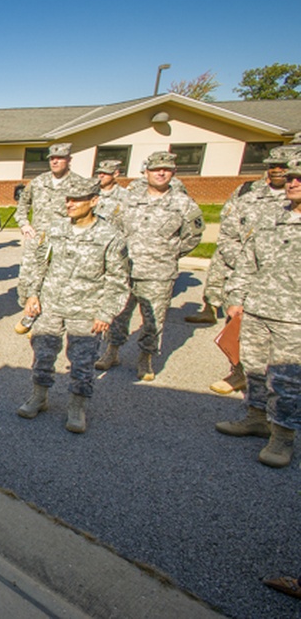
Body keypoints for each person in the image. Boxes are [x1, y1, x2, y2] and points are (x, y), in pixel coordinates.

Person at [16, 177, 130, 433]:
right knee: (43, 354)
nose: (70, 204)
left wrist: (106, 312)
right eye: (68, 199)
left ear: (93, 201)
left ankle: (77, 406)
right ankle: (39, 397)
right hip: (51, 304)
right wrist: (32, 295)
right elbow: (38, 264)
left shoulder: (110, 236)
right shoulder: (55, 229)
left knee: (82, 361)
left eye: (76, 200)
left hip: (87, 310)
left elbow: (118, 280)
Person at [215, 157, 301, 468]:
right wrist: (236, 297)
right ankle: (256, 418)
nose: (292, 182)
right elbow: (247, 263)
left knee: (288, 378)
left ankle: (282, 436)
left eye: (299, 178)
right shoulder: (271, 219)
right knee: (253, 368)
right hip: (258, 309)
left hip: (294, 317)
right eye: (291, 177)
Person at [194, 145, 297, 394]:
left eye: (288, 170)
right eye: (274, 166)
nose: (280, 172)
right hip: (254, 293)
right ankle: (249, 398)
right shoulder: (252, 197)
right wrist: (238, 283)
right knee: (250, 353)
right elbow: (233, 239)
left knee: (289, 374)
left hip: (293, 309)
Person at [96, 151, 203, 381]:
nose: (161, 173)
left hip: (159, 274)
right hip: (126, 270)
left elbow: (193, 236)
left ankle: (145, 358)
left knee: (153, 320)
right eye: (156, 169)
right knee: (117, 315)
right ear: (147, 173)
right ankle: (111, 352)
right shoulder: (128, 200)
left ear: (173, 173)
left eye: (166, 169)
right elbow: (113, 229)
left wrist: (169, 252)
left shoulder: (183, 204)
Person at [13, 143, 80, 333]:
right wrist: (24, 223)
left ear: (69, 160)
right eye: (52, 158)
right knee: (27, 279)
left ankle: (43, 321)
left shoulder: (78, 184)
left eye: (60, 158)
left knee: (55, 282)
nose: (55, 161)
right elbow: (22, 204)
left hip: (64, 242)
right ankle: (29, 312)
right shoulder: (38, 182)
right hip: (37, 241)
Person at [93, 159, 129, 227]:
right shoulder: (91, 192)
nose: (101, 176)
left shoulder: (125, 195)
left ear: (115, 174)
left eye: (106, 173)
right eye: (99, 173)